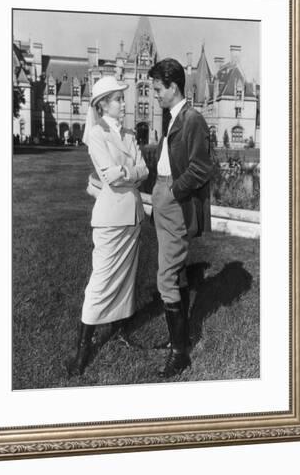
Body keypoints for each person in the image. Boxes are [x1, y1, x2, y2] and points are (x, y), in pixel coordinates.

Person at [66, 76, 149, 376]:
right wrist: (131, 172)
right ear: (102, 105)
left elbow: (145, 169)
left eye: (121, 98)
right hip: (110, 219)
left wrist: (128, 171)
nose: (122, 103)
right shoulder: (97, 135)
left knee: (126, 281)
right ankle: (83, 348)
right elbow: (112, 176)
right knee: (100, 283)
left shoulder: (128, 134)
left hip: (132, 217)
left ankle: (119, 330)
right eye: (116, 99)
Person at [148, 58, 213, 378]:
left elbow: (202, 168)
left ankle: (179, 354)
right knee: (175, 273)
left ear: (173, 87)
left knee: (165, 277)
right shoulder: (173, 117)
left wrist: (173, 191)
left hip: (174, 199)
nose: (155, 94)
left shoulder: (192, 119)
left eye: (158, 89)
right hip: (163, 196)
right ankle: (180, 339)